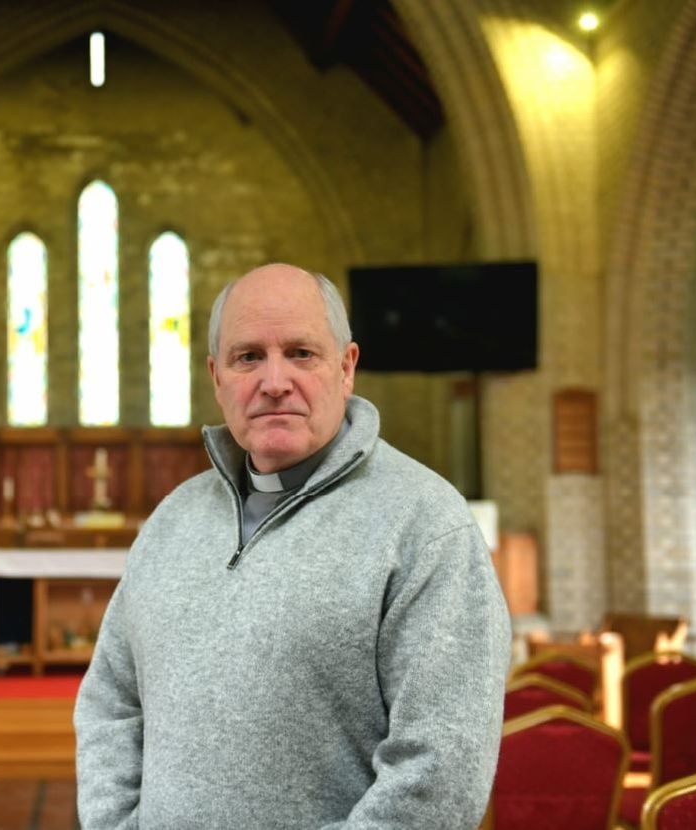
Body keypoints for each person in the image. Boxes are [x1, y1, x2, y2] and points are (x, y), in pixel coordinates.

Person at [74, 263, 512, 829]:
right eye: (248, 356)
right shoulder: (172, 521)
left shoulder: (425, 524)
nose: (274, 380)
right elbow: (111, 701)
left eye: (301, 353)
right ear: (216, 376)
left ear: (347, 367)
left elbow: (439, 769)